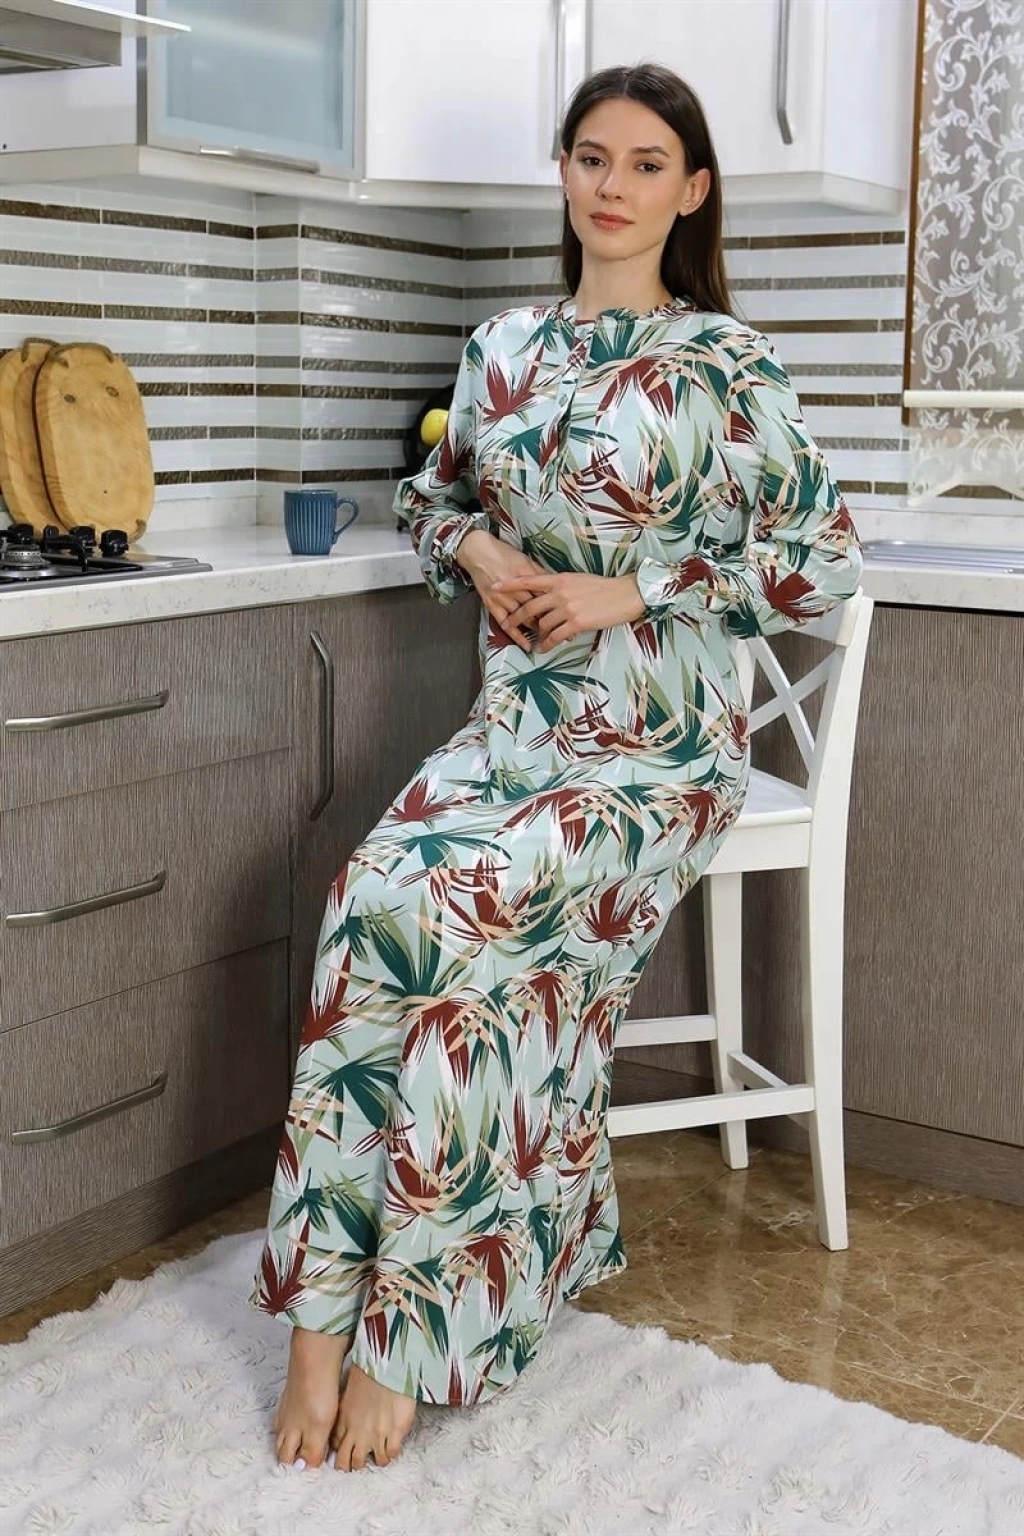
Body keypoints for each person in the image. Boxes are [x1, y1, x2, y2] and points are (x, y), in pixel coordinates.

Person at [250, 60, 863, 1475]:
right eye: (592, 156)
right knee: (368, 907)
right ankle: (317, 1317)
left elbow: (823, 559)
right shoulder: (503, 346)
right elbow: (430, 495)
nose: (613, 185)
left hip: (658, 750)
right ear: (565, 171)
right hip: (516, 733)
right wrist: (478, 549)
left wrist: (629, 590)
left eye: (647, 164)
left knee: (466, 932)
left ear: (692, 190)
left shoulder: (731, 366)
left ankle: (412, 1336)